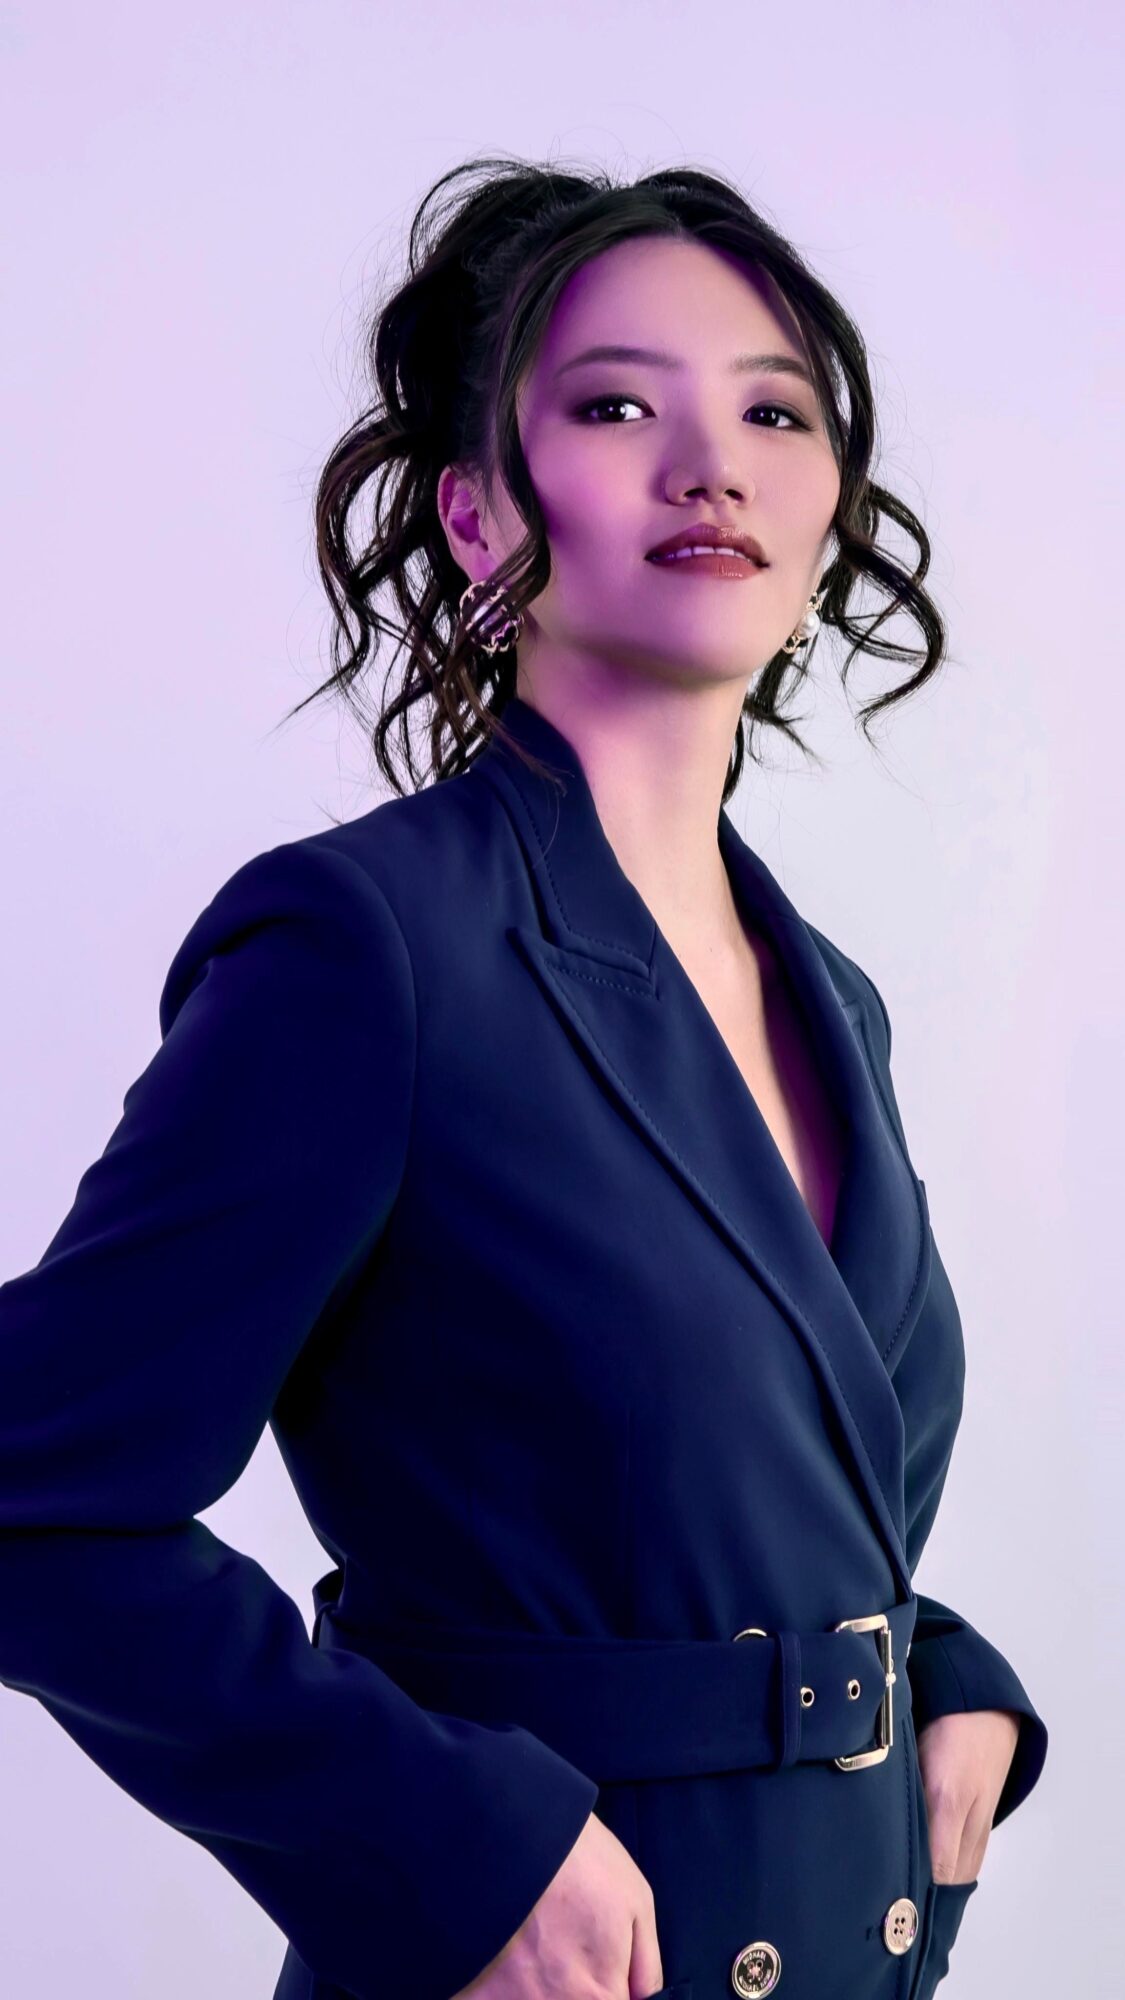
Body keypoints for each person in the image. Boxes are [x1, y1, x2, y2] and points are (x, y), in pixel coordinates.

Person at [0, 155, 1047, 2000]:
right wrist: (439, 1842)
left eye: (774, 413)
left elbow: (746, 1492)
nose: (709, 464)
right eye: (617, 405)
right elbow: (37, 1498)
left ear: (827, 516)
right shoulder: (369, 949)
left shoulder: (835, 1002)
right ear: (479, 517)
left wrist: (937, 1673)